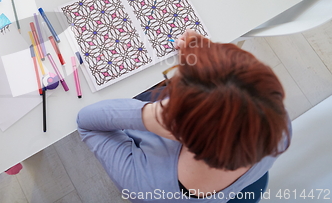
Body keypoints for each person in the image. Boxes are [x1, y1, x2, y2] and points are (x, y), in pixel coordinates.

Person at [77, 30, 291, 202]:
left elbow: (86, 122)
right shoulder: (275, 120)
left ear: (178, 128)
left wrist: (149, 115)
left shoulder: (149, 187)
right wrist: (207, 57)